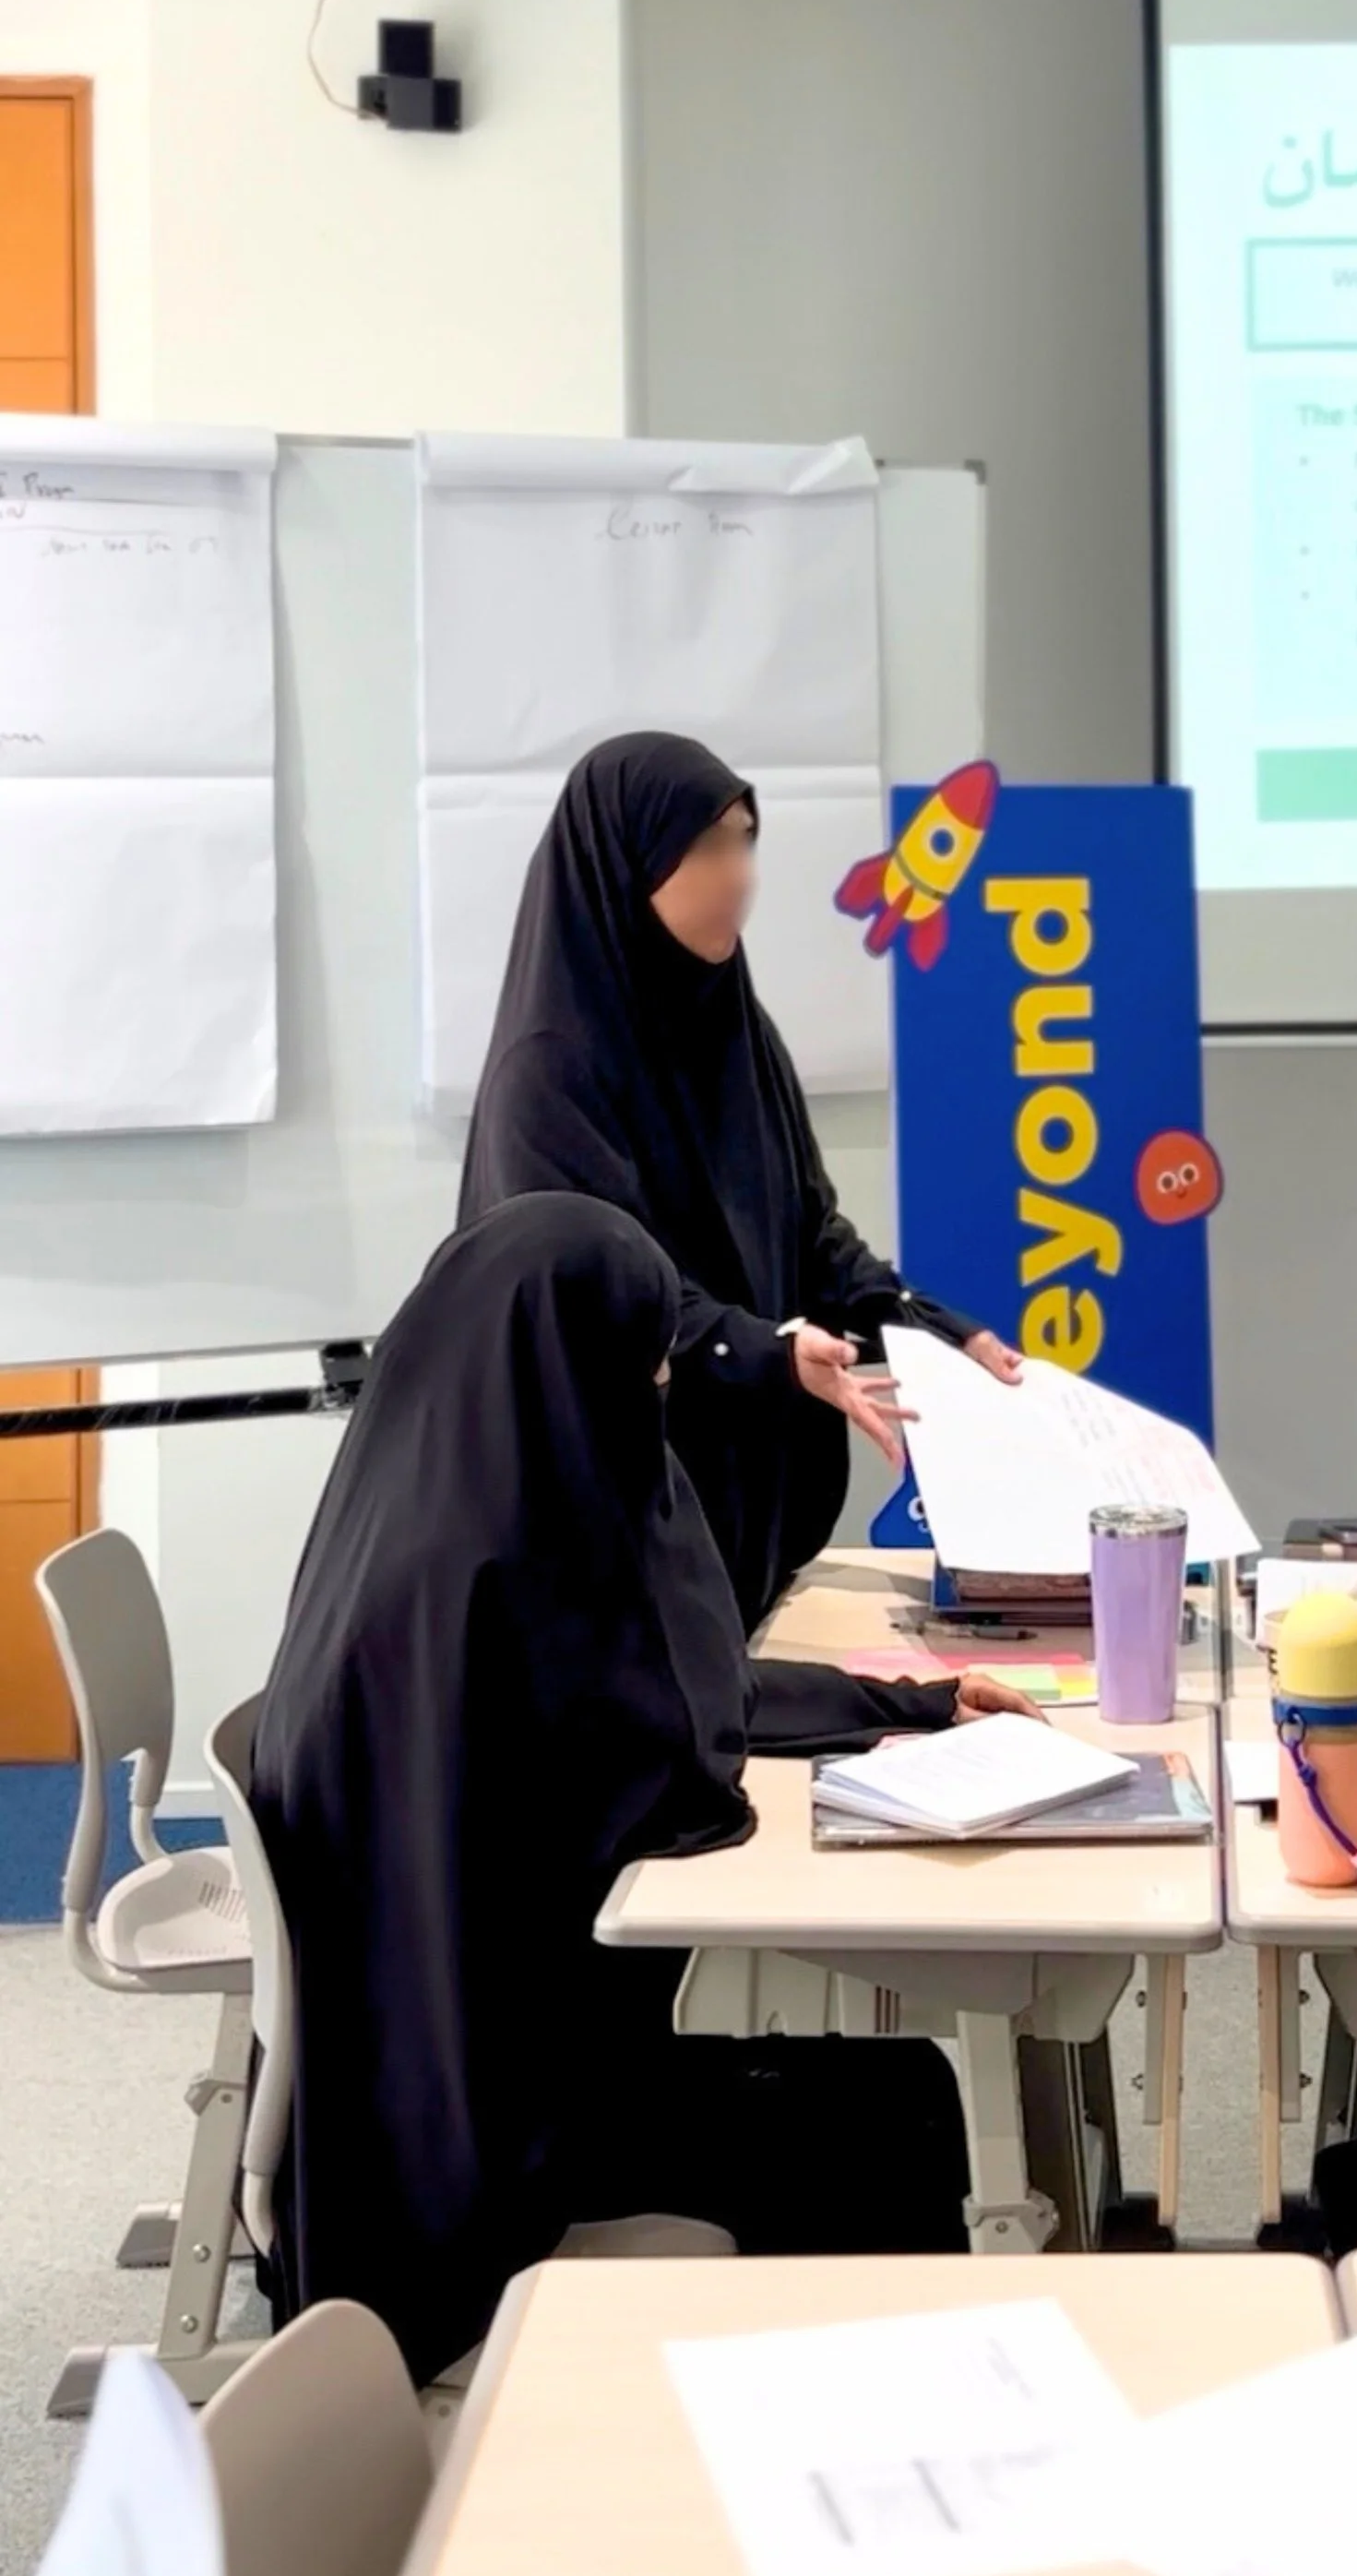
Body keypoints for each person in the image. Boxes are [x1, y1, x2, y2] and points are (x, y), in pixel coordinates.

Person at [251, 1194, 1043, 2384]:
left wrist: (913, 1705)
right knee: (898, 2116)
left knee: (893, 2093)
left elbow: (678, 1695)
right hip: (493, 2154)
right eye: (650, 1362)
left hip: (407, 2120)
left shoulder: (425, 1521)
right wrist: (832, 1734)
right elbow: (674, 1772)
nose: (662, 1387)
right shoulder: (489, 1594)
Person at [460, 731, 1020, 1630]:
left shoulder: (735, 1033)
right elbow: (604, 1295)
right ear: (629, 859)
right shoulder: (550, 1069)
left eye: (747, 839)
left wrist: (940, 1336)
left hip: (742, 1544)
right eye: (710, 844)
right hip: (608, 1558)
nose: (742, 872)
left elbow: (812, 1239)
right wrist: (760, 1350)